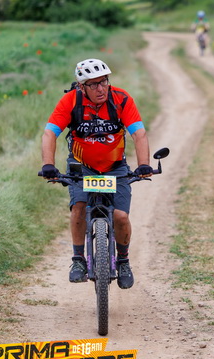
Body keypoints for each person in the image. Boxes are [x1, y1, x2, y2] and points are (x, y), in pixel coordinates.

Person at [41, 58, 152, 290]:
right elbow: (50, 133)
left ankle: (123, 262)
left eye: (104, 82)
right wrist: (48, 164)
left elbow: (139, 134)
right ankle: (78, 260)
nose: (101, 88)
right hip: (82, 166)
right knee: (79, 207)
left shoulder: (121, 99)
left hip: (115, 167)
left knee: (121, 217)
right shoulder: (71, 101)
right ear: (82, 87)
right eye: (93, 84)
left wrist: (143, 164)